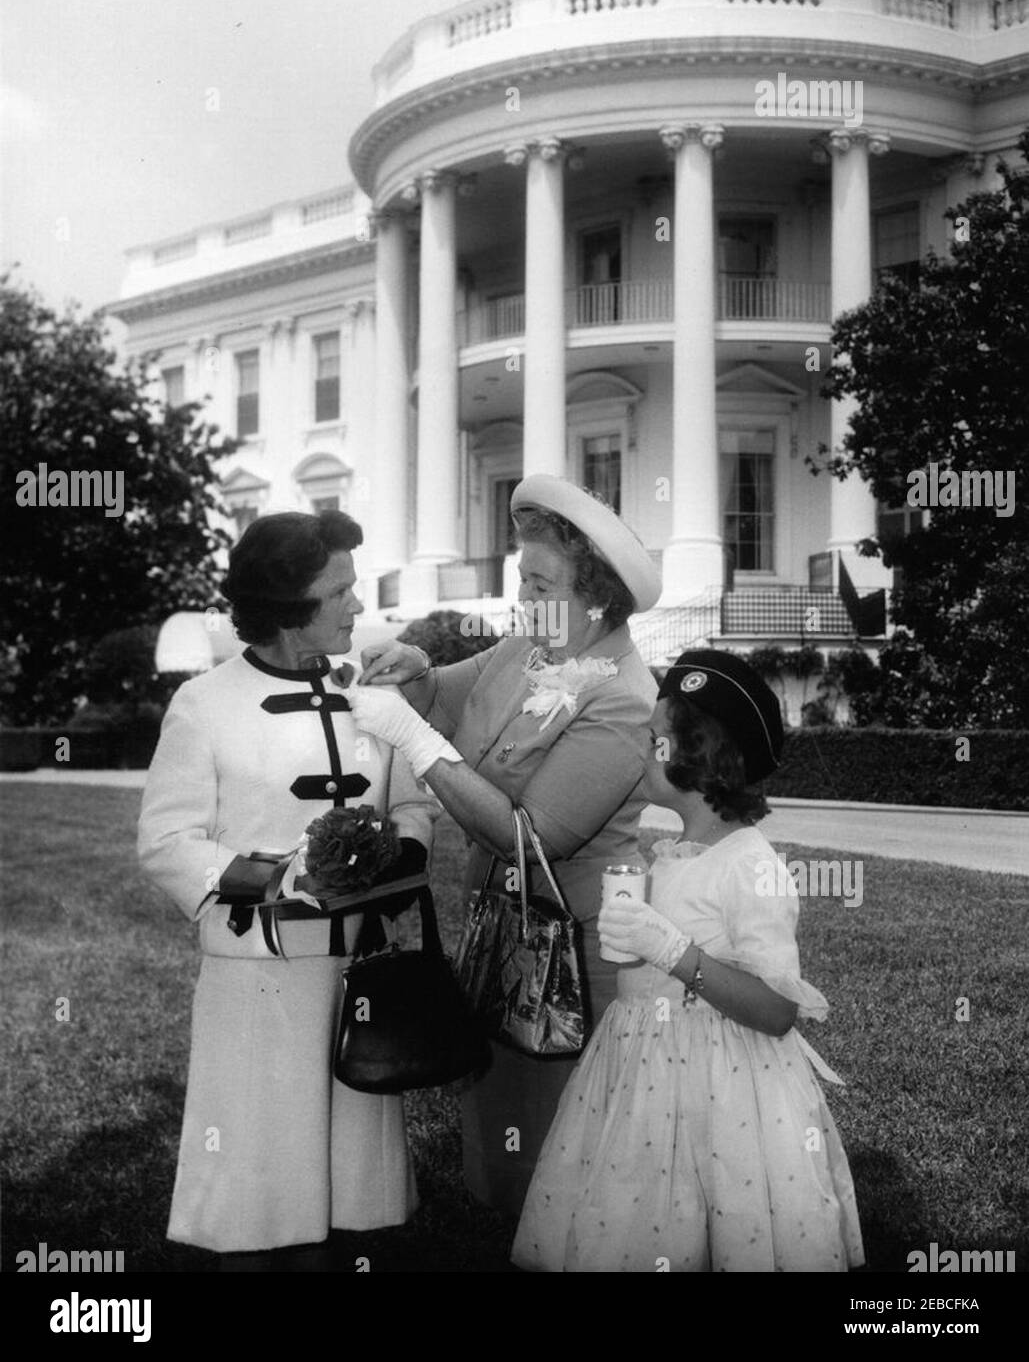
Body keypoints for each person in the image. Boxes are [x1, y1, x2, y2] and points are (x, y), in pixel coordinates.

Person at [345, 474, 661, 1215]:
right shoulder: (524, 648)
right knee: (503, 1134)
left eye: (539, 579)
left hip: (576, 953)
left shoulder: (623, 696)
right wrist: (414, 670)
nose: (522, 593)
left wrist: (414, 741)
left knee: (573, 1153)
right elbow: (437, 695)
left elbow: (533, 839)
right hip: (499, 932)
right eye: (522, 575)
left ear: (596, 595)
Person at [137, 510, 438, 1269]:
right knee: (257, 1205)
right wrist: (289, 876)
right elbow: (168, 844)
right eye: (340, 590)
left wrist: (395, 854)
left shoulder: (366, 694)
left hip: (360, 983)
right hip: (257, 990)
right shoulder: (204, 704)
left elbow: (411, 805)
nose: (357, 606)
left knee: (351, 1211)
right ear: (288, 603)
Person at [512, 649, 865, 1272]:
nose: (642, 751)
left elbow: (777, 1009)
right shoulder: (678, 851)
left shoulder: (751, 865)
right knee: (642, 1200)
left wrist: (671, 951)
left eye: (655, 739)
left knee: (716, 1201)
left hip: (721, 1078)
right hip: (641, 1063)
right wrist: (633, 941)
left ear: (699, 755)